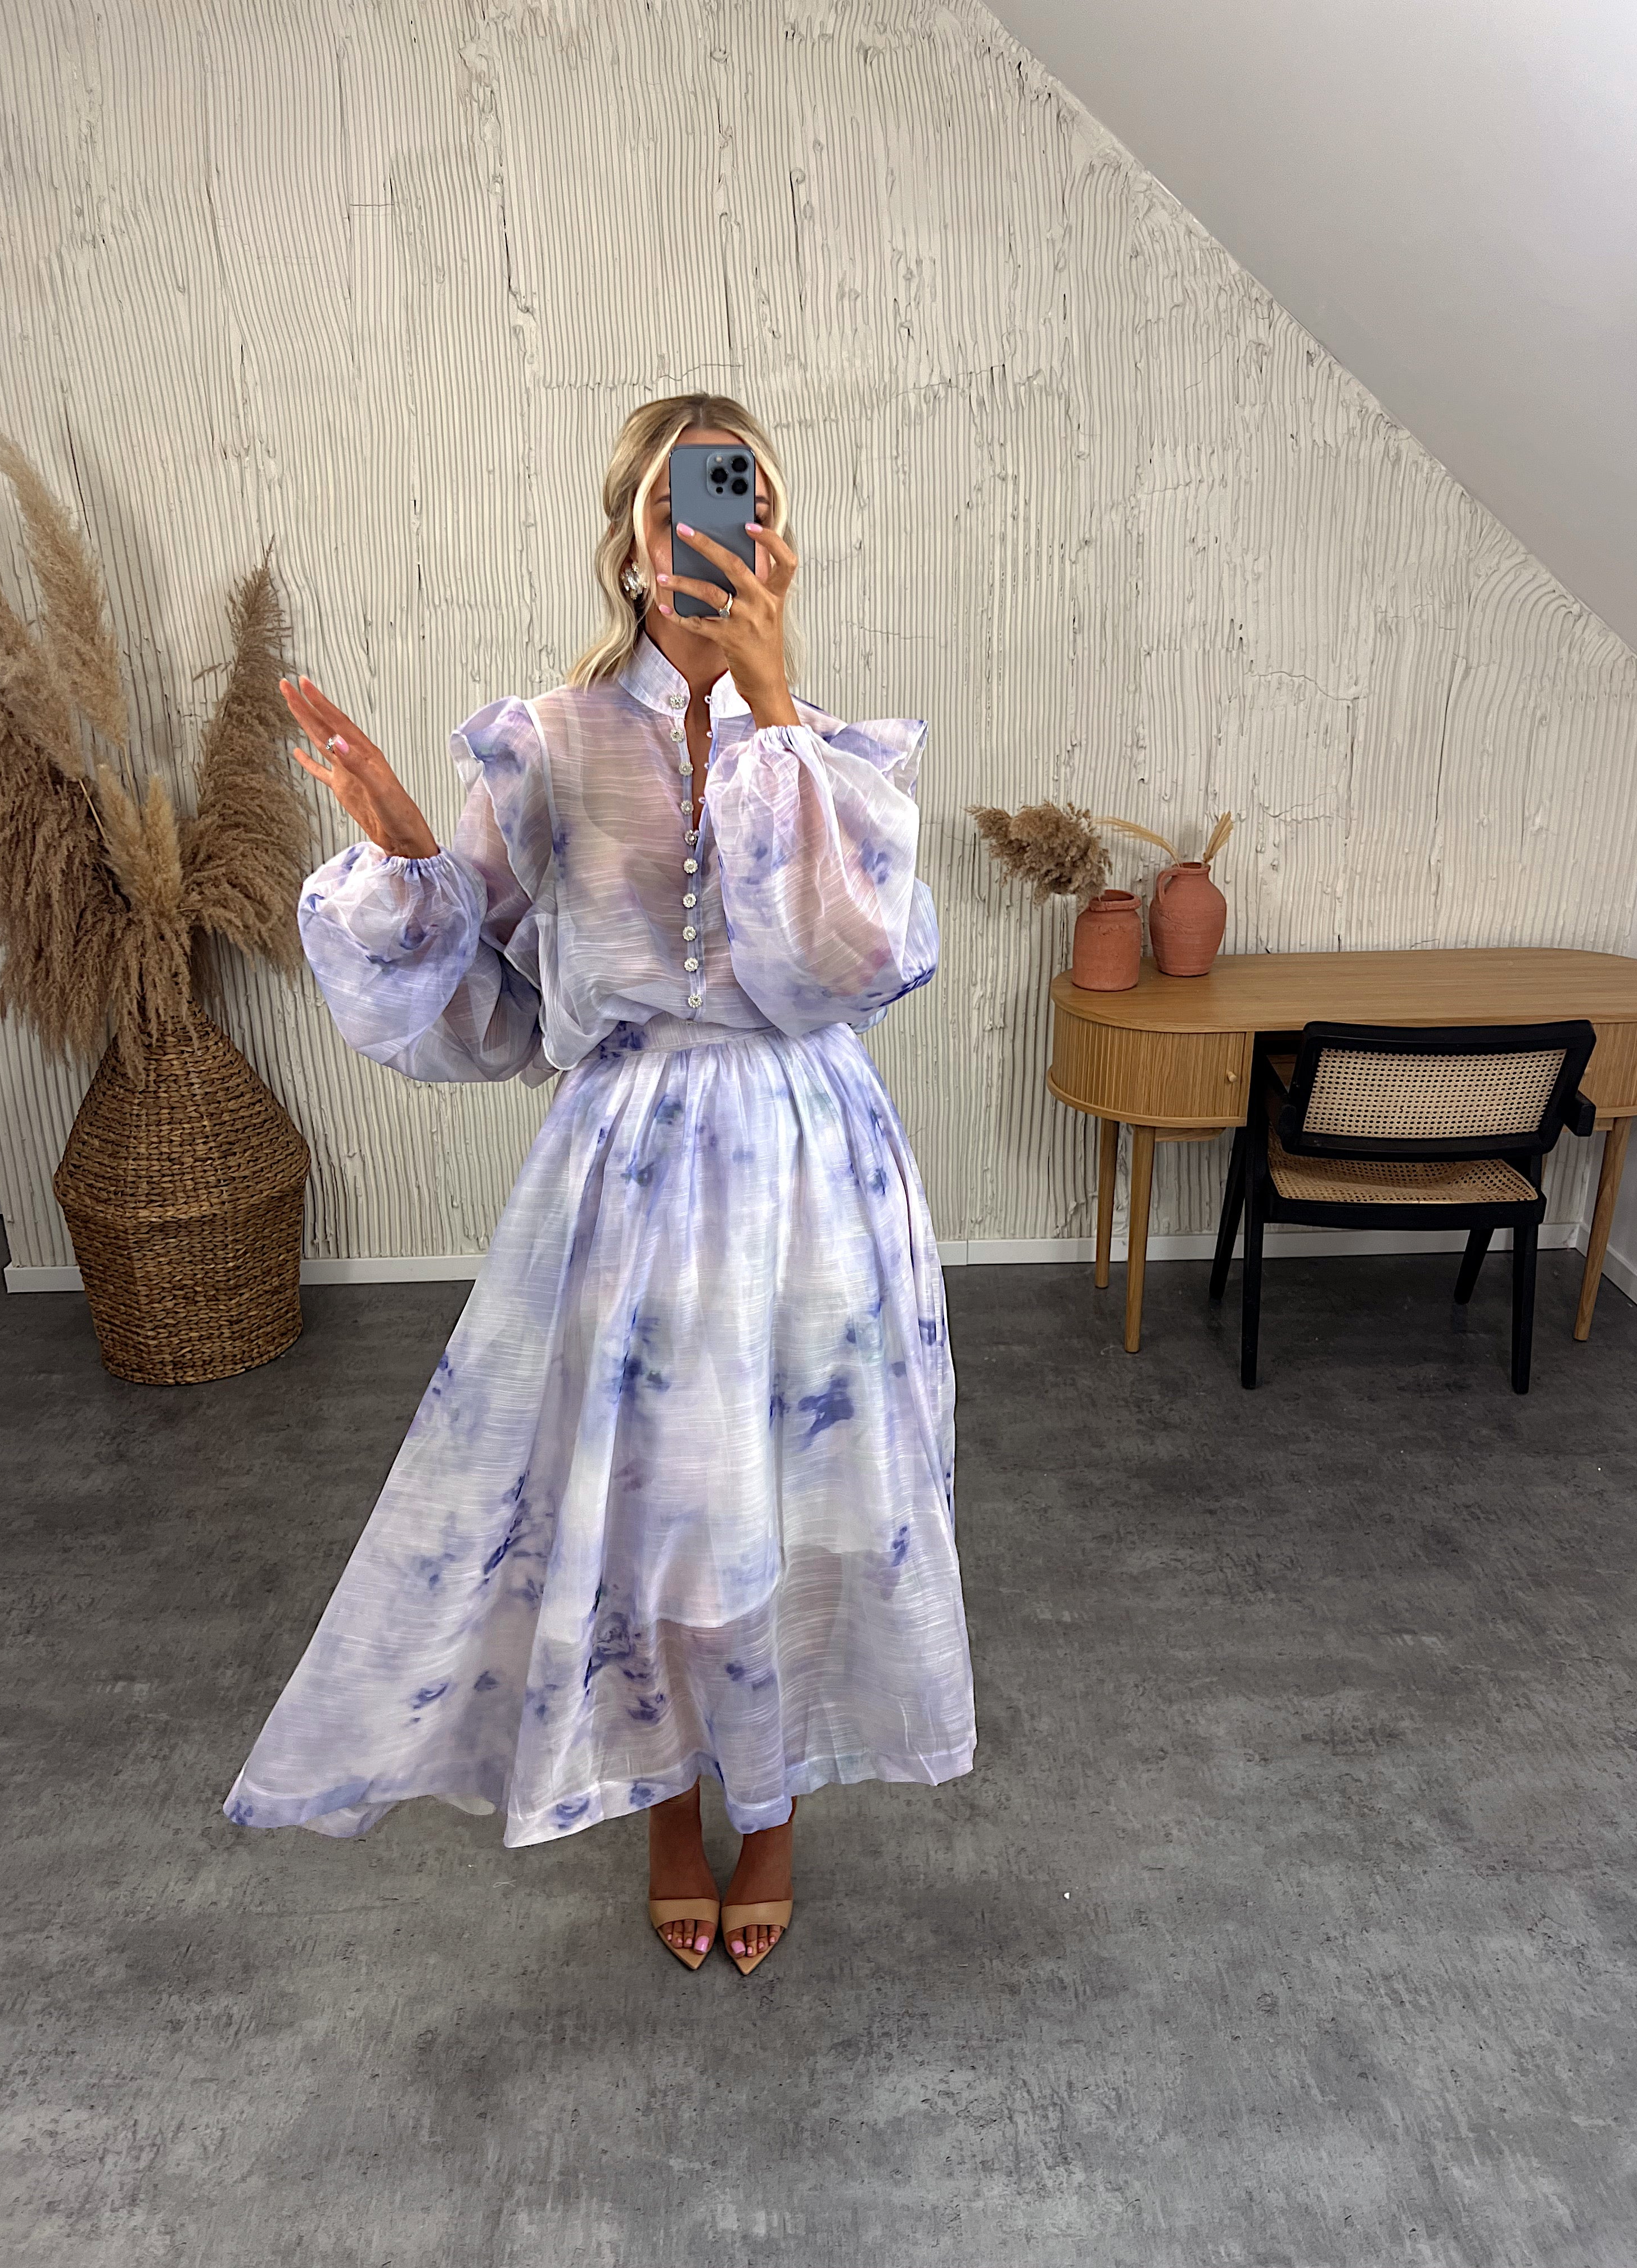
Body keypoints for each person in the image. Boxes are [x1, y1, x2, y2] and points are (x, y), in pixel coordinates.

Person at [222, 391, 976, 1976]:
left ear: (779, 539)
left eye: (749, 503)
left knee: (807, 1506)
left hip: (813, 1175)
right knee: (654, 1514)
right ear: (634, 547)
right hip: (632, 1181)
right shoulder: (551, 744)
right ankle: (666, 1809)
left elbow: (852, 967)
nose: (718, 533)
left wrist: (774, 711)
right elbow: (493, 1014)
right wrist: (415, 866)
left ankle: (773, 1817)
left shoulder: (833, 754)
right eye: (682, 507)